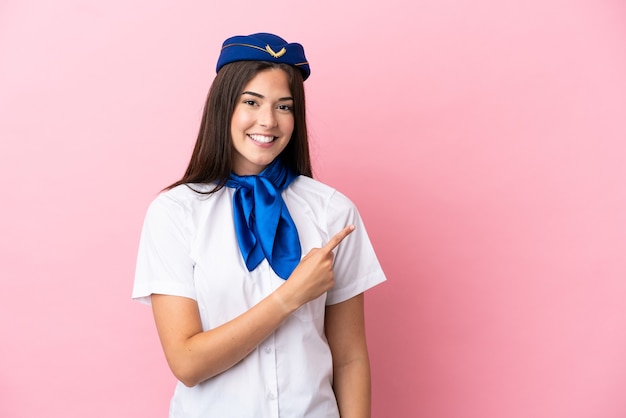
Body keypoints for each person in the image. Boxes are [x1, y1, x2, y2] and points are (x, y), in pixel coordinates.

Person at [132, 32, 386, 418]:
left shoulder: (333, 211)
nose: (268, 121)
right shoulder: (174, 213)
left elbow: (350, 358)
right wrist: (291, 296)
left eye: (284, 106)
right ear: (224, 107)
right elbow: (187, 363)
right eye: (251, 102)